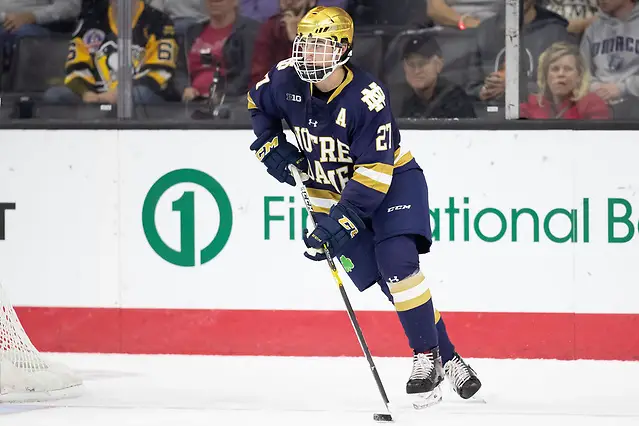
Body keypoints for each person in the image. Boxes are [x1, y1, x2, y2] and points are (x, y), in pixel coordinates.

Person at [247, 5, 481, 406]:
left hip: (391, 186)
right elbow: (257, 106)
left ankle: (425, 357)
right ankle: (451, 357)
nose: (308, 55)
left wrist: (340, 222)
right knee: (394, 288)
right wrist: (271, 147)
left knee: (399, 266)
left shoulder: (366, 97)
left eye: (320, 47)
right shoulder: (285, 77)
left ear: (342, 50)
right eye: (304, 45)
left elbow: (374, 174)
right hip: (328, 194)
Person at [43, 0, 178, 104]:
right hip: (98, 95)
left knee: (139, 94)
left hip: (139, 98)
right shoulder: (91, 21)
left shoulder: (159, 22)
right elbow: (76, 65)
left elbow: (160, 71)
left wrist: (118, 94)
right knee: (54, 95)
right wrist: (86, 93)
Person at [520, 42, 610, 119]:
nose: (561, 74)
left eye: (568, 69)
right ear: (545, 76)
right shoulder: (531, 105)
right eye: (555, 69)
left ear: (579, 76)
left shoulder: (592, 104)